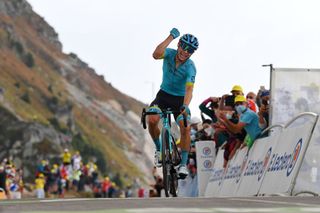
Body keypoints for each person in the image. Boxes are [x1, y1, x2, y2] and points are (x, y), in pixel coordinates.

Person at [147, 28, 199, 178]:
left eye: (190, 50)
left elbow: (189, 89)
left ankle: (183, 164)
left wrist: (186, 105)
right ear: (179, 45)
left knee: (186, 127)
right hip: (163, 96)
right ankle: (159, 150)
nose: (185, 52)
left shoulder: (190, 67)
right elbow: (155, 54)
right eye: (184, 47)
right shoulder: (169, 53)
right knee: (152, 120)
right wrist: (171, 36)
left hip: (180, 101)